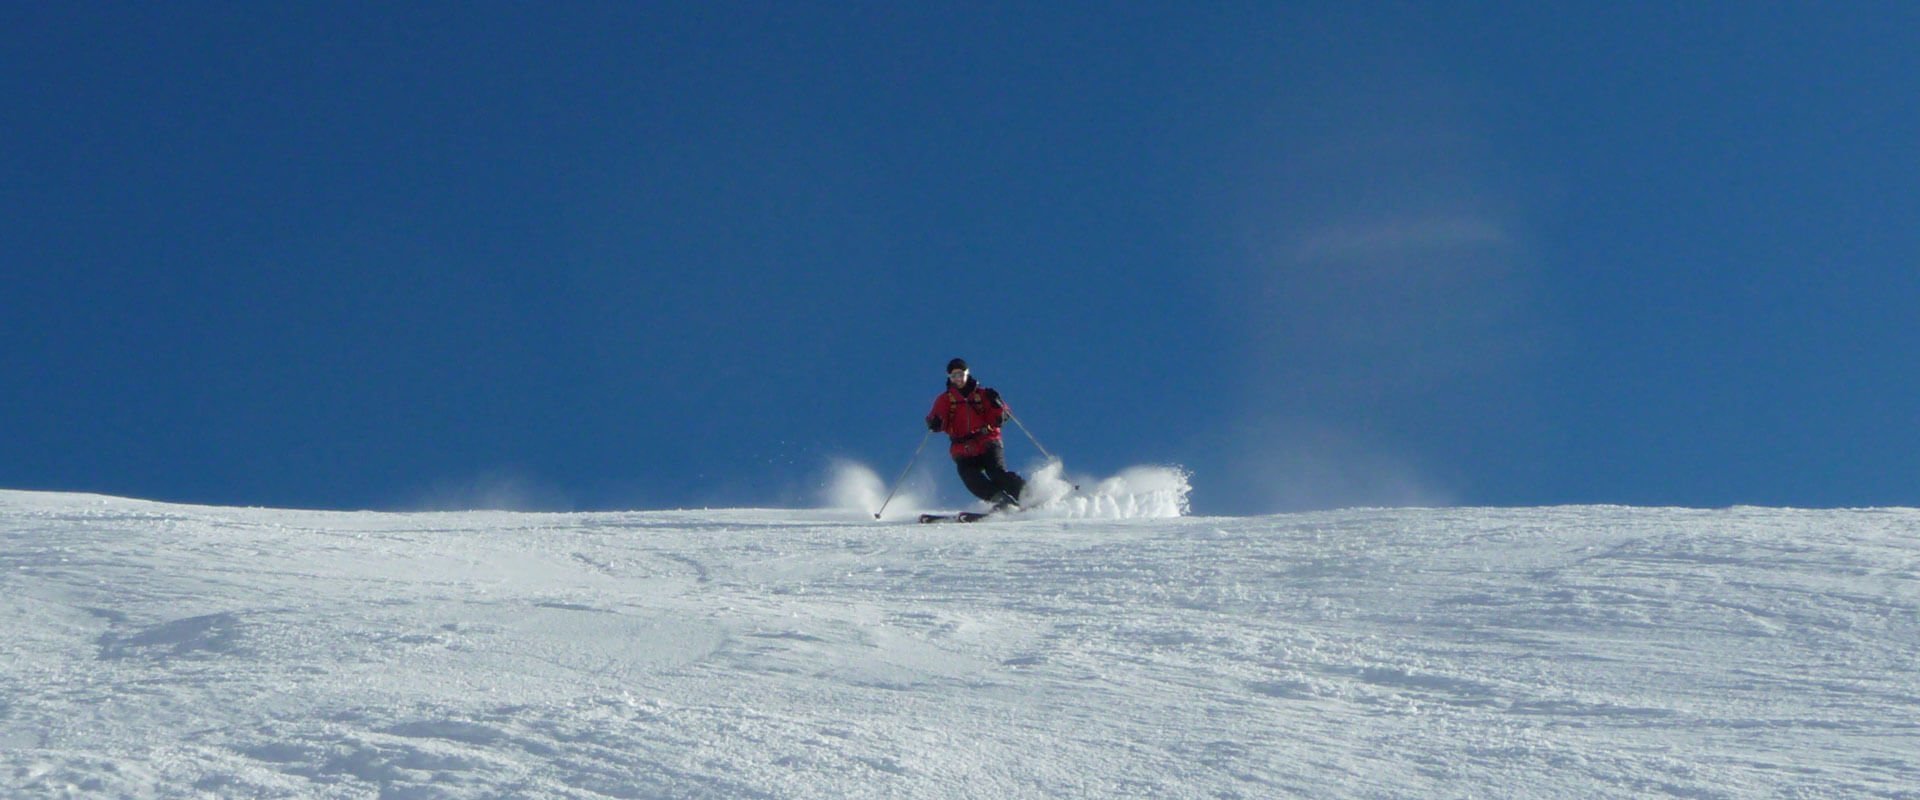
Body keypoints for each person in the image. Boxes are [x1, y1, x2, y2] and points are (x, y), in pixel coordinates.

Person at [926, 358, 1027, 510]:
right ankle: (1000, 500)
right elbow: (936, 419)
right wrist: (934, 423)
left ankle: (1028, 496)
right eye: (953, 376)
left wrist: (997, 405)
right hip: (962, 447)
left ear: (967, 374)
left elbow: (1001, 416)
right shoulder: (945, 400)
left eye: (960, 375)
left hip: (987, 440)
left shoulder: (982, 394)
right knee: (970, 477)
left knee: (997, 473)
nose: (957, 379)